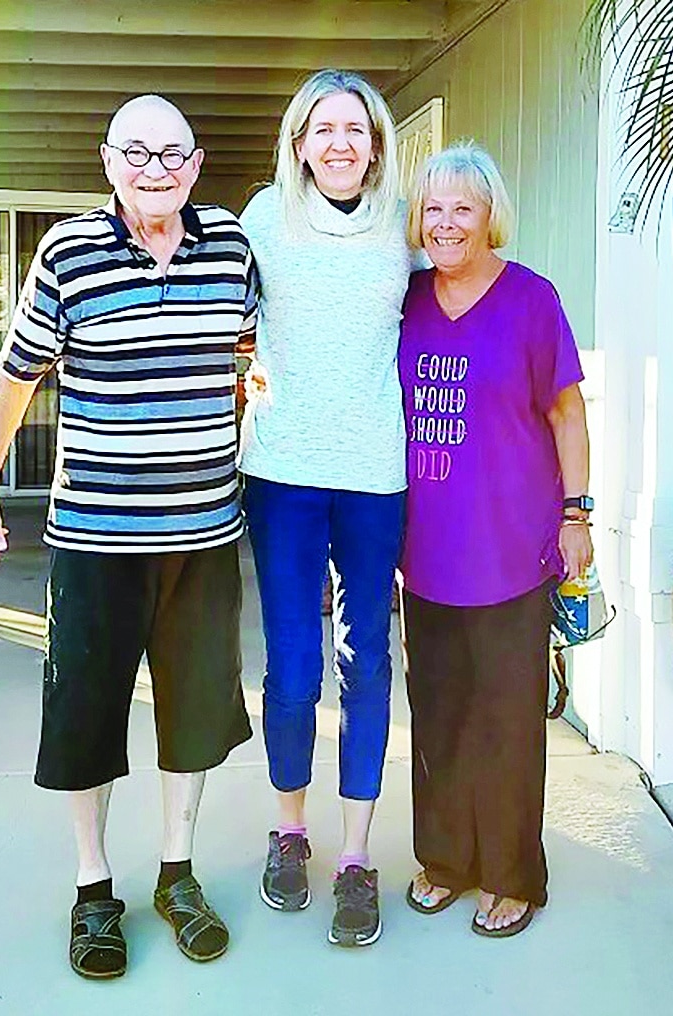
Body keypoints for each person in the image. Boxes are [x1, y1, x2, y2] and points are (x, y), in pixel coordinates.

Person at [0, 94, 255, 978]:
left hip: (205, 535)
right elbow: (15, 383)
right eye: (137, 152)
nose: (155, 169)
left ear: (197, 166)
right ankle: (94, 890)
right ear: (107, 160)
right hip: (94, 540)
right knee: (85, 719)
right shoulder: (67, 253)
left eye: (173, 153)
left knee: (194, 717)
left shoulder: (234, 251)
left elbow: (252, 357)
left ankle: (177, 872)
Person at [399, 142, 593, 937]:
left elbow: (567, 414)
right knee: (438, 717)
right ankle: (446, 859)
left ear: (489, 218)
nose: (446, 224)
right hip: (426, 556)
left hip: (515, 552)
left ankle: (512, 873)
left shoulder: (531, 301)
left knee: (507, 721)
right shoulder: (405, 300)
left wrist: (578, 513)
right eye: (433, 210)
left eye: (462, 209)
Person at [238, 69, 413, 947]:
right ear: (299, 141)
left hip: (376, 478)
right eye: (323, 129)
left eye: (356, 129)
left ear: (375, 143)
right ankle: (290, 830)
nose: (340, 143)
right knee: (295, 667)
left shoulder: (402, 226)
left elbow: (453, 307)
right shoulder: (263, 218)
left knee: (367, 665)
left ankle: (355, 856)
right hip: (284, 476)